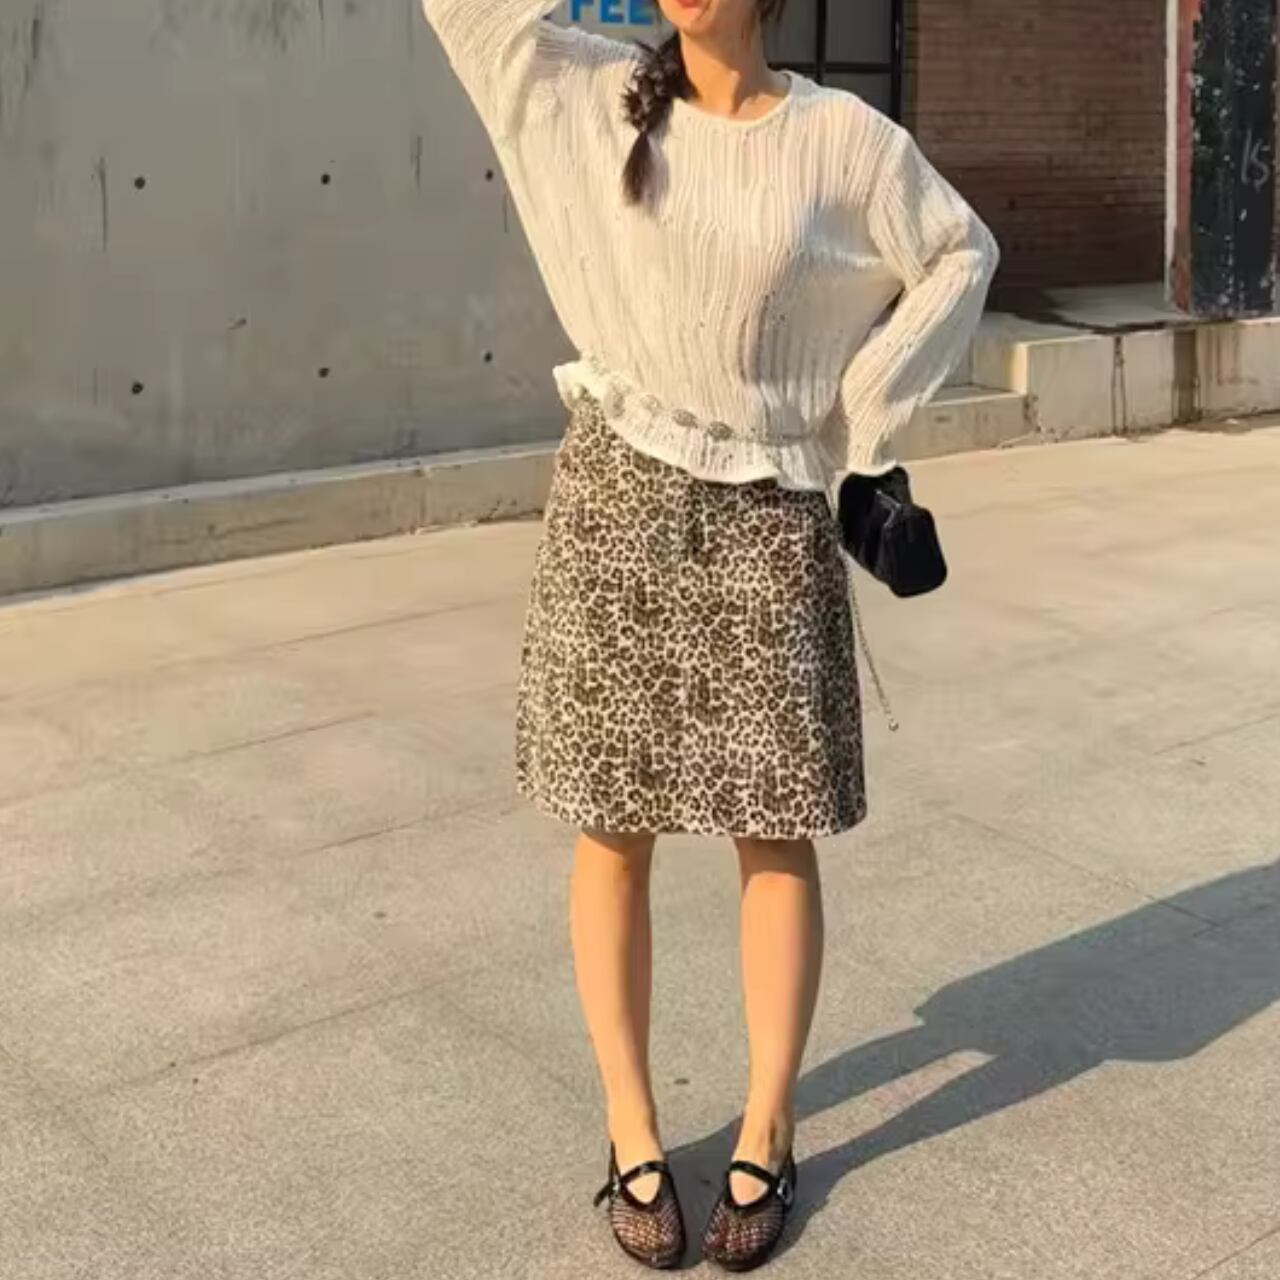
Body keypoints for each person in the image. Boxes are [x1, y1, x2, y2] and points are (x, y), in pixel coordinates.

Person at [421, 0, 999, 1268]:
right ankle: (631, 1125)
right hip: (615, 500)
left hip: (767, 509)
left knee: (772, 823)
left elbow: (960, 252)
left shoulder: (842, 141)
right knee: (610, 822)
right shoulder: (584, 95)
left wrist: (860, 416)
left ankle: (767, 1122)